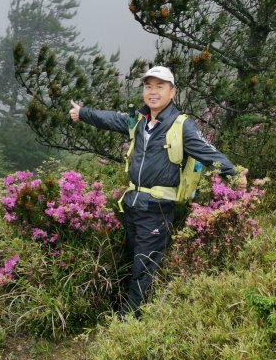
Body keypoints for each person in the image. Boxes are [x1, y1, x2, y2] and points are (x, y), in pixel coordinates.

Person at [69, 65, 246, 317]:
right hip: (132, 204)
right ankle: (126, 312)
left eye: (160, 86)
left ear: (172, 92)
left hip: (157, 208)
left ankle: (130, 321)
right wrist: (83, 113)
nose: (153, 92)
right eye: (148, 86)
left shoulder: (181, 125)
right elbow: (111, 119)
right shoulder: (139, 120)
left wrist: (234, 173)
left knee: (144, 266)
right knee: (132, 260)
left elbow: (208, 152)